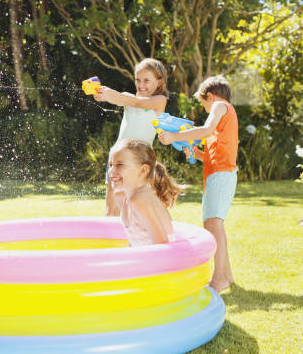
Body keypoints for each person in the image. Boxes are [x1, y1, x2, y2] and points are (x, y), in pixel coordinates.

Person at [158, 75, 238, 293]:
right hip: (217, 173)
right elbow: (212, 152)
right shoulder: (223, 115)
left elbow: (205, 130)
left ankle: (220, 278)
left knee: (213, 225)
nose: (205, 110)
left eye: (204, 105)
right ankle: (226, 275)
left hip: (221, 174)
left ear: (210, 97)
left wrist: (175, 136)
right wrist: (197, 153)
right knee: (212, 224)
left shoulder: (220, 106)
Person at [93, 58, 169, 216]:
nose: (141, 85)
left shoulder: (159, 101)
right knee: (112, 207)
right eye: (138, 80)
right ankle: (112, 239)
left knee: (139, 207)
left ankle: (153, 237)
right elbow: (124, 99)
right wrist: (102, 94)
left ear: (159, 83)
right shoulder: (129, 98)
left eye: (146, 80)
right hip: (117, 159)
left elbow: (138, 103)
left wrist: (113, 95)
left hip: (139, 161)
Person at [108, 139, 181, 246]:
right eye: (110, 165)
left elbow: (161, 245)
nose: (111, 171)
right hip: (145, 259)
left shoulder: (140, 199)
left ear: (143, 170)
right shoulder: (122, 196)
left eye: (120, 165)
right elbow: (136, 239)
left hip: (161, 260)